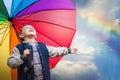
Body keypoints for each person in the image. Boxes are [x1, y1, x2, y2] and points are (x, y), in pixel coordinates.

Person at [7, 24, 77, 80]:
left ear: (36, 36)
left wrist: (68, 50)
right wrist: (22, 57)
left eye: (32, 28)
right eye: (27, 27)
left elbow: (56, 50)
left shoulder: (43, 46)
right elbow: (11, 62)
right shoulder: (18, 48)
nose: (31, 28)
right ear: (21, 35)